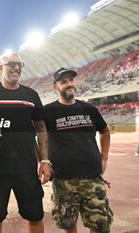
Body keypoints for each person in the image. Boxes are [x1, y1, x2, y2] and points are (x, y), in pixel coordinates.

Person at [0, 53, 51, 233]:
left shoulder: (31, 95)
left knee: (35, 217)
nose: (16, 67)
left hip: (27, 169)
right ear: (1, 68)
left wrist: (45, 161)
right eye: (11, 64)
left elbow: (41, 129)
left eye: (19, 64)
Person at [44, 67, 113, 233]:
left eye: (71, 80)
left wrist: (104, 157)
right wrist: (43, 161)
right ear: (55, 87)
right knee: (68, 226)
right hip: (63, 180)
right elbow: (37, 138)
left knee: (100, 226)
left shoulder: (88, 108)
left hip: (93, 178)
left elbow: (104, 131)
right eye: (63, 82)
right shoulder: (48, 111)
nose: (69, 84)